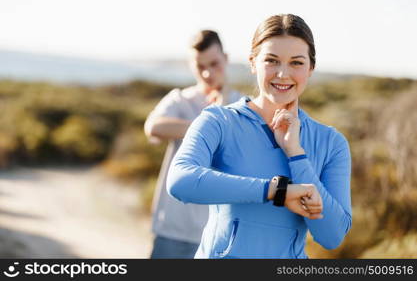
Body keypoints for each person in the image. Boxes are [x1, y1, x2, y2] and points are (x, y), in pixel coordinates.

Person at [167, 14, 352, 259]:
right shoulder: (218, 121)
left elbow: (332, 236)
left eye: (296, 62)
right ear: (253, 62)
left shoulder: (331, 142)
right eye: (272, 61)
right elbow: (180, 181)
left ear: (311, 68)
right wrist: (276, 191)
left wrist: (296, 154)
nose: (283, 74)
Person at [144, 30, 241, 258]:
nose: (207, 73)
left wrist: (224, 105)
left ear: (225, 59)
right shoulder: (180, 99)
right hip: (172, 230)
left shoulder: (241, 104)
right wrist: (206, 125)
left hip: (220, 234)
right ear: (191, 65)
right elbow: (153, 127)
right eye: (200, 66)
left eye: (214, 63)